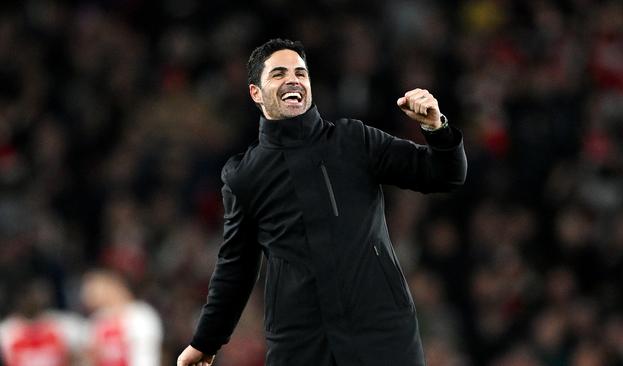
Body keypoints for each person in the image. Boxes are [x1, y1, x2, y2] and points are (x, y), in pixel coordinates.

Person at [177, 38, 467, 366]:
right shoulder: (244, 175)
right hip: (300, 343)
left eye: (301, 72)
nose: (293, 79)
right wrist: (206, 341)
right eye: (278, 74)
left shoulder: (354, 140)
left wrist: (436, 128)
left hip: (382, 332)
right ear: (256, 93)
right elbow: (236, 267)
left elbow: (444, 176)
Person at [80, 269, 163, 366]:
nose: (88, 294)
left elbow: (146, 355)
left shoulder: (140, 314)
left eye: (94, 288)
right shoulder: (97, 320)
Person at [0, 276, 86, 366]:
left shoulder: (63, 324)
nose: (29, 300)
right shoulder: (6, 331)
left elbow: (83, 355)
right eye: (25, 295)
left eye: (33, 294)